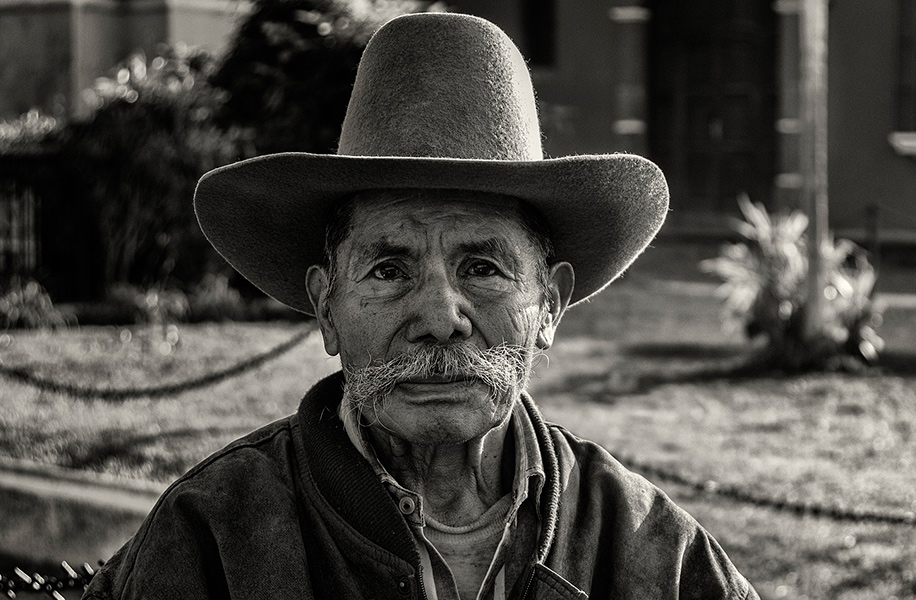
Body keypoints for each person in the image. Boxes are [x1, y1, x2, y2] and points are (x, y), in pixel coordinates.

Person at [83, 12, 759, 600]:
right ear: (326, 309)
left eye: (483, 268)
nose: (441, 316)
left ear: (549, 304)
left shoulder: (641, 543)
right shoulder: (212, 536)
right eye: (388, 269)